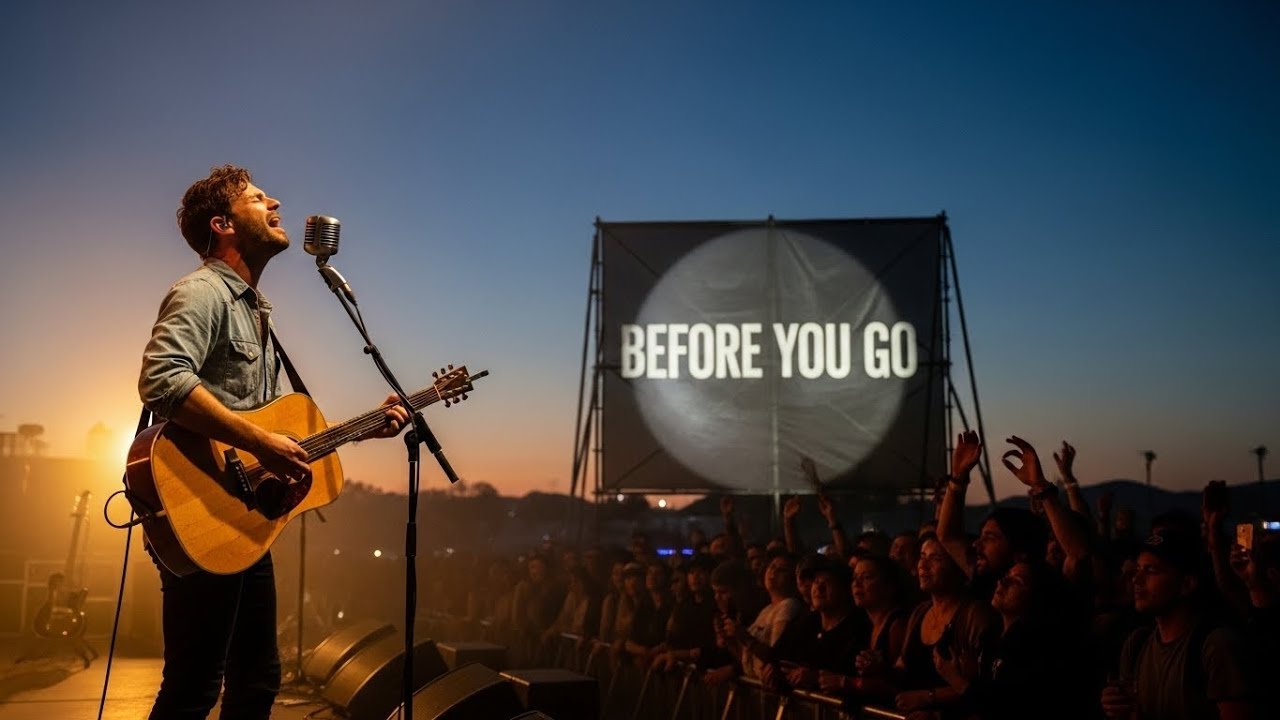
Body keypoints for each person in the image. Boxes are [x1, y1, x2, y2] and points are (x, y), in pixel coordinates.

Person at [138, 165, 409, 719]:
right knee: (193, 688)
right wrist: (261, 443)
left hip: (243, 523)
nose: (276, 201)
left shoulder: (255, 311)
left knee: (257, 682)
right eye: (258, 199)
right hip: (200, 510)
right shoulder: (202, 293)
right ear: (223, 224)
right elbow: (163, 380)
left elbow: (272, 427)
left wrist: (363, 428)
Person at [1101, 528, 1259, 720]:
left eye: (1151, 570)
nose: (1136, 579)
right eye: (1137, 570)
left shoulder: (1216, 647)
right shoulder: (1136, 644)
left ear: (1187, 584)